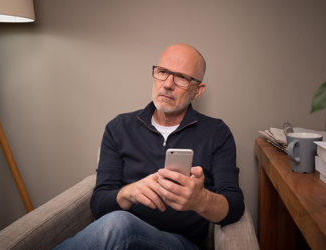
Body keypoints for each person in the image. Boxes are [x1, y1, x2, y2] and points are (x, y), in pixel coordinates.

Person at [55, 43, 244, 249]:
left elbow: (234, 206)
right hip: (118, 241)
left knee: (120, 223)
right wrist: (128, 192)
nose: (168, 84)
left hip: (180, 243)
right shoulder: (119, 127)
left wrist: (200, 200)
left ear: (198, 90)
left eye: (181, 77)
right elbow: (98, 205)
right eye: (162, 72)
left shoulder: (216, 132)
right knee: (118, 223)